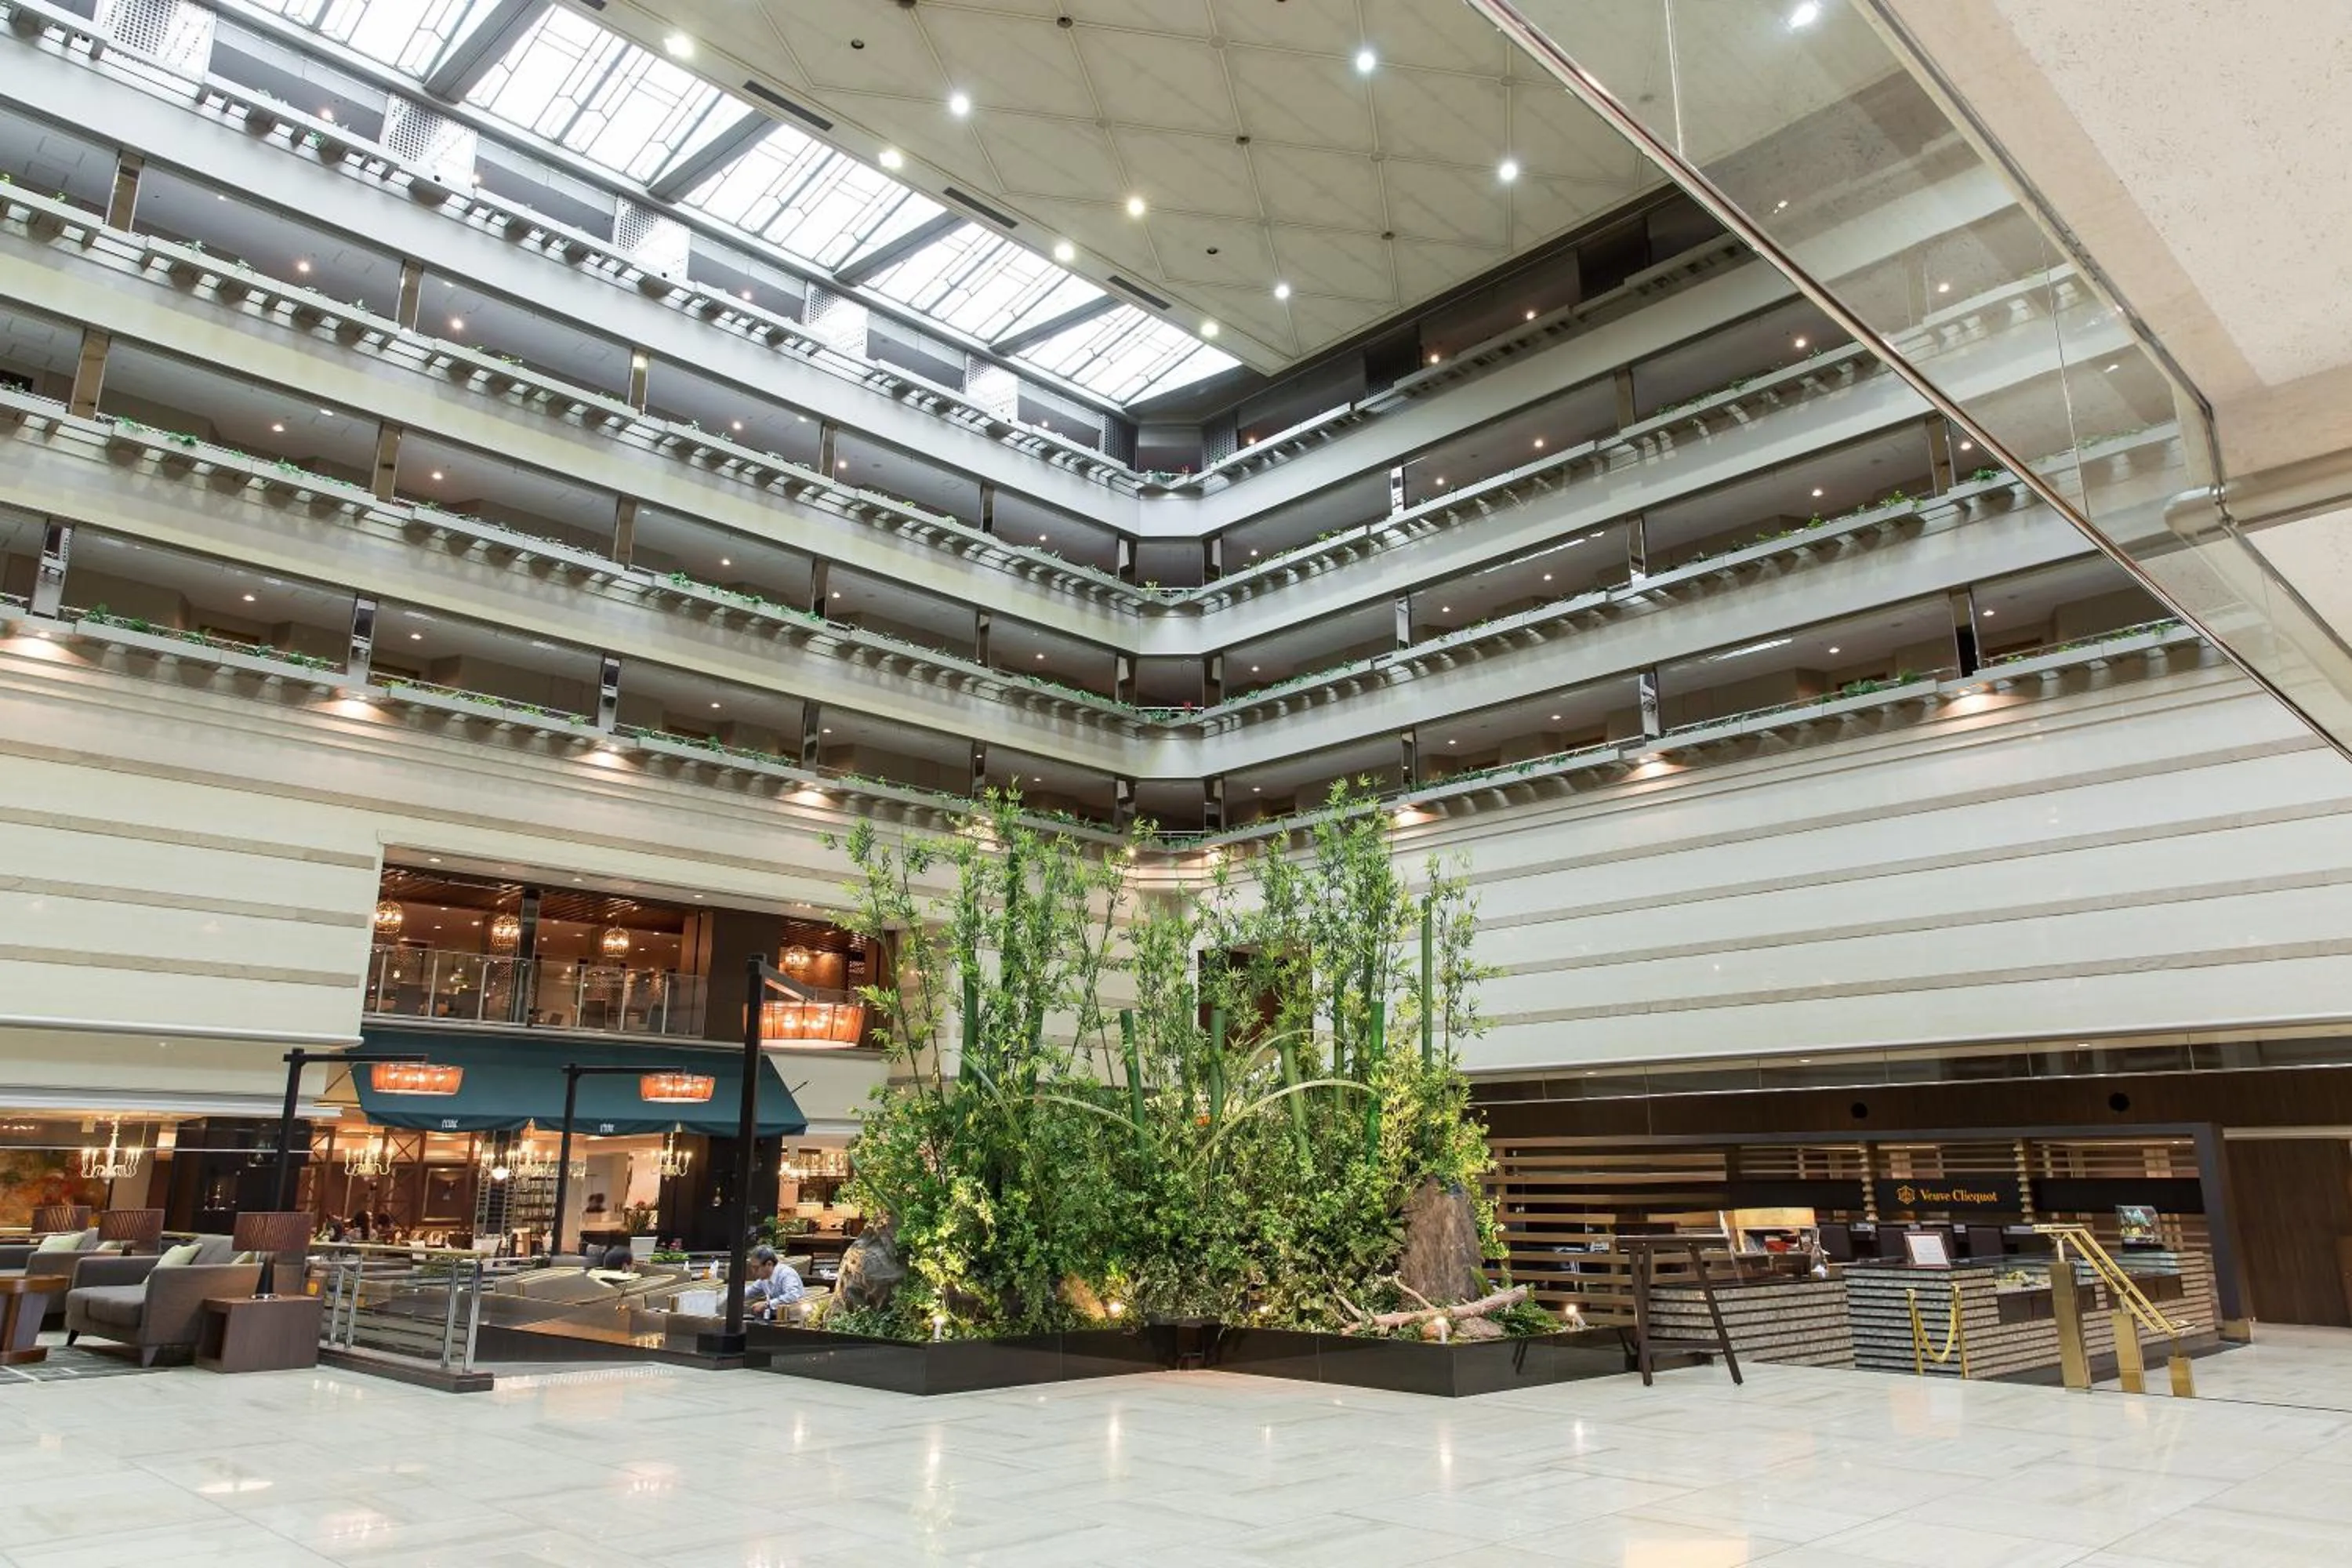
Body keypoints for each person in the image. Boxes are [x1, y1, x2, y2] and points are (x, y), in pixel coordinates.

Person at [742, 1244, 804, 1319]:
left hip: (793, 1318)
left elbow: (792, 1296)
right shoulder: (764, 1278)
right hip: (774, 1318)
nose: (753, 1272)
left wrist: (767, 1304)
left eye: (756, 1268)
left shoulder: (786, 1274)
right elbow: (749, 1291)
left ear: (769, 1264)